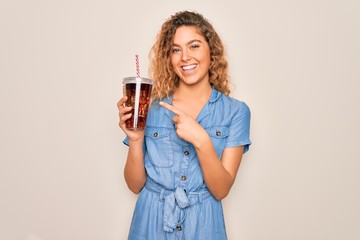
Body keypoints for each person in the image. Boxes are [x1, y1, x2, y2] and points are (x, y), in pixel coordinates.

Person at [117, 10, 251, 240]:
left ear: (212, 51)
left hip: (204, 224)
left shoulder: (236, 112)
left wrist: (201, 140)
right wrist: (136, 140)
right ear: (169, 58)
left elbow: (221, 189)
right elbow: (135, 185)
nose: (185, 57)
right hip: (150, 222)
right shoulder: (150, 108)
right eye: (176, 50)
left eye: (194, 46)